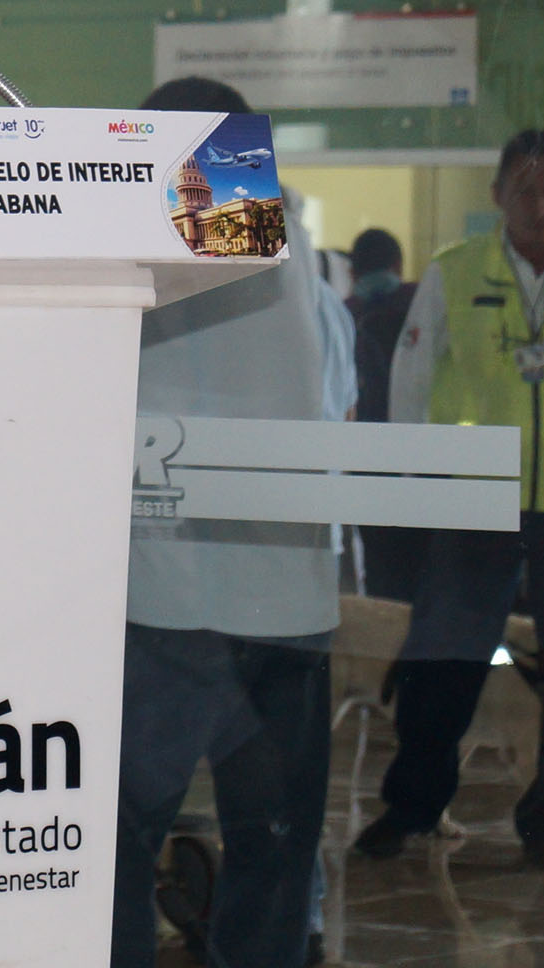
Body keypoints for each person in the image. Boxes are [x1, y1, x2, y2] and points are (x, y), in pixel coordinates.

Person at [352, 129, 544, 871]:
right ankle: (412, 808)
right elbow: (413, 382)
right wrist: (423, 478)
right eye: (525, 191)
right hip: (474, 498)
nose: (541, 207)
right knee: (442, 657)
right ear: (496, 197)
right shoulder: (455, 272)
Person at [112, 76, 337, 968]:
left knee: (123, 844)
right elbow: (331, 391)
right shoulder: (285, 233)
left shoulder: (211, 218)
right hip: (267, 602)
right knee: (271, 853)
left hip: (169, 602)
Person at [346, 227, 424, 599]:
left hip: (365, 460)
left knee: (380, 571)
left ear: (352, 272)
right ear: (398, 264)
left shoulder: (346, 313)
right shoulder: (421, 304)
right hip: (420, 459)